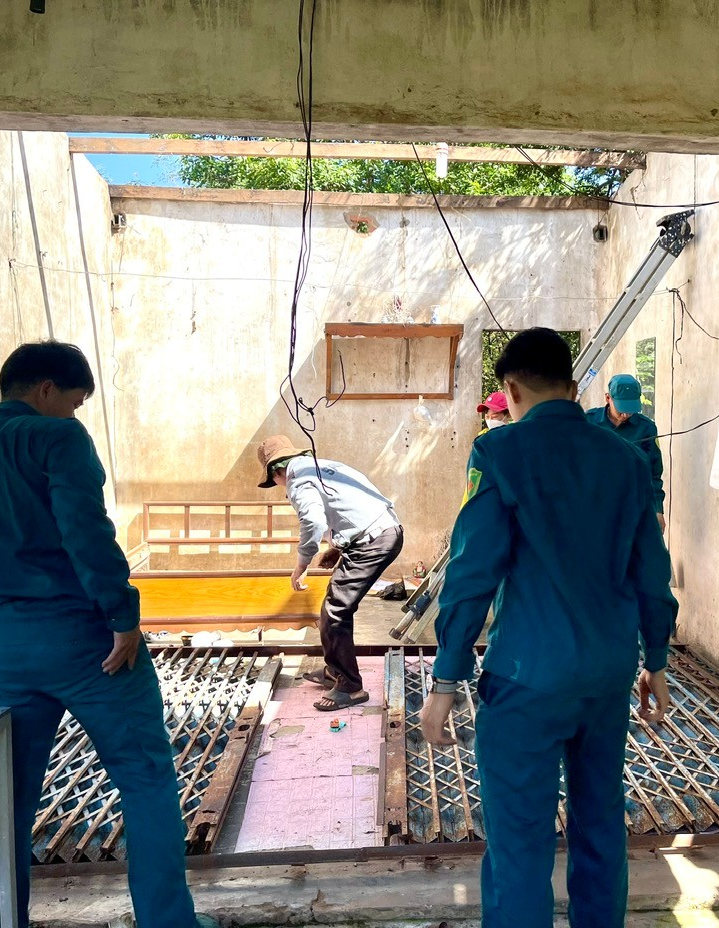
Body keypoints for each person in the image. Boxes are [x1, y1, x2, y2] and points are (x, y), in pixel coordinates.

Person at [0, 342, 213, 928]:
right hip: (88, 641)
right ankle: (168, 922)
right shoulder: (57, 439)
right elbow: (85, 530)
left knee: (3, 796)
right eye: (76, 401)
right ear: (45, 390)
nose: (75, 413)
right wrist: (122, 616)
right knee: (144, 779)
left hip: (1, 654)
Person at [422, 328, 677, 928]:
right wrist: (657, 660)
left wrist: (446, 679)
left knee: (520, 842)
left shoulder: (499, 453)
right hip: (607, 677)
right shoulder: (628, 460)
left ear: (511, 390)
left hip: (526, 679)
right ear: (573, 384)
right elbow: (652, 571)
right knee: (601, 823)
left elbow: (472, 574)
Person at [257, 436, 403, 711]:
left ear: (276, 472)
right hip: (381, 532)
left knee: (335, 611)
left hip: (373, 542)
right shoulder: (324, 466)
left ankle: (351, 687)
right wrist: (336, 548)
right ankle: (335, 671)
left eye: (274, 481)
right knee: (333, 607)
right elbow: (349, 508)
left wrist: (301, 565)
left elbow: (313, 521)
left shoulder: (298, 480)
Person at [585, 373, 666, 531]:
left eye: (630, 410)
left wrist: (657, 510)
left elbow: (654, 473)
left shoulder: (646, 428)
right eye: (622, 408)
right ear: (608, 398)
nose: (625, 415)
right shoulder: (588, 422)